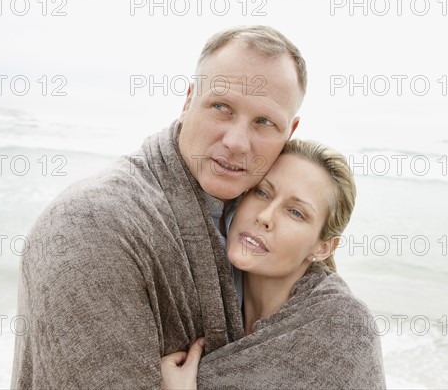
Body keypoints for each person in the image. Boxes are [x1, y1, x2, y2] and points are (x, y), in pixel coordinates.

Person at [11, 25, 305, 388]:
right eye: (221, 107)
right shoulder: (92, 225)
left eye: (264, 122)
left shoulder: (262, 228)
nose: (237, 142)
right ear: (188, 100)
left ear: (288, 133)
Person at [161, 140, 386, 389]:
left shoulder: (343, 327)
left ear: (323, 248)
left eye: (295, 212)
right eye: (262, 192)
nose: (265, 216)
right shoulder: (196, 291)